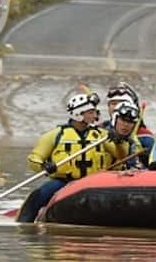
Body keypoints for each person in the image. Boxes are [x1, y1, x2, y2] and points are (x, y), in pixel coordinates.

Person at [18, 93, 128, 222]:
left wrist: (118, 142)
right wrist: (43, 166)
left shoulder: (101, 135)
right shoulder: (55, 135)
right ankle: (24, 223)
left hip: (94, 182)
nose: (95, 116)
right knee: (38, 196)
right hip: (63, 181)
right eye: (91, 112)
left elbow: (121, 155)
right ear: (78, 114)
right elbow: (34, 158)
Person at [102, 82, 154, 166]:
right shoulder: (100, 131)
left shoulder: (145, 136)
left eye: (121, 103)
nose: (116, 107)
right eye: (113, 103)